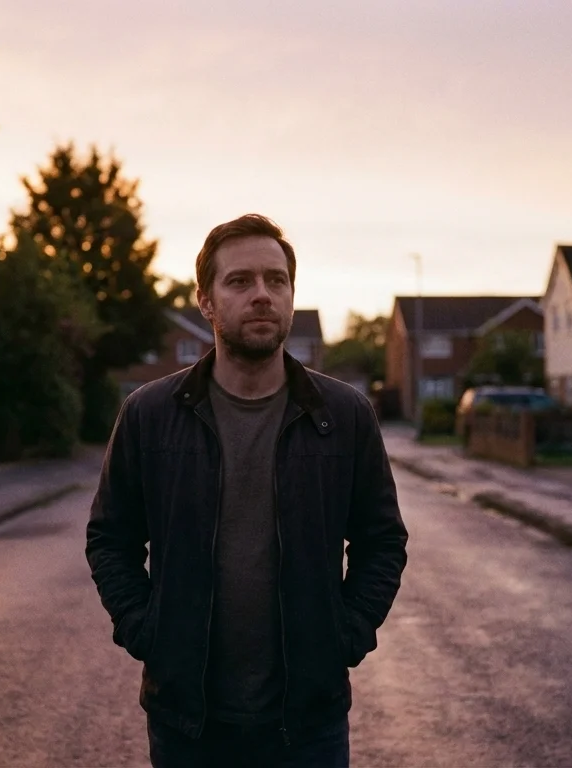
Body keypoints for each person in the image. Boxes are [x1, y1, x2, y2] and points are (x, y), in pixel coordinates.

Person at [85, 213, 408, 767]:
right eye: (240, 281)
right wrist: (146, 631)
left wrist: (346, 635)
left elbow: (382, 541)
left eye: (276, 280)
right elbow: (110, 539)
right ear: (206, 301)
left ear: (291, 296)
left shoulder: (345, 415)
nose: (262, 294)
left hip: (309, 723)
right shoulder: (149, 415)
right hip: (187, 722)